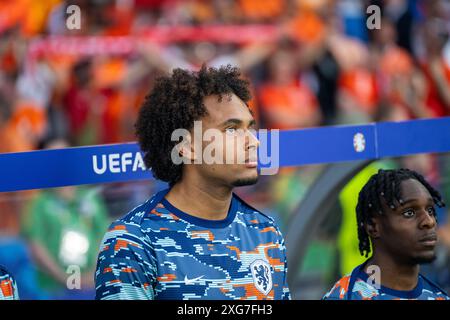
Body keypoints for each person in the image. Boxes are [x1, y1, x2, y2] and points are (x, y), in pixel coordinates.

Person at [95, 65, 290, 300]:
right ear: (186, 147)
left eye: (250, 128)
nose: (254, 142)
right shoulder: (132, 243)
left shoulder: (266, 232)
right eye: (231, 130)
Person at [323, 168, 449, 300]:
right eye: (409, 213)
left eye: (430, 210)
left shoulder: (439, 296)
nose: (429, 221)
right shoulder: (345, 296)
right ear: (373, 227)